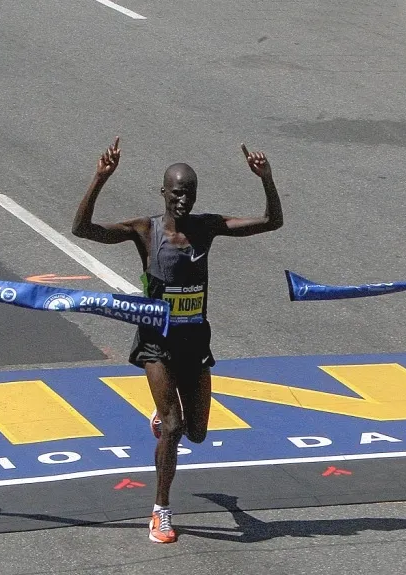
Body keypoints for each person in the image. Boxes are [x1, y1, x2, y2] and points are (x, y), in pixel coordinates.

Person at [72, 137, 283, 543]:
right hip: (157, 343)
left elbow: (271, 221)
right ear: (163, 192)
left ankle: (162, 410)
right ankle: (161, 512)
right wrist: (100, 178)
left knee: (197, 432)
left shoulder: (206, 228)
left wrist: (266, 179)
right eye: (176, 193)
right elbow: (82, 229)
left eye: (189, 194)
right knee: (173, 427)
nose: (183, 201)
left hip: (195, 342)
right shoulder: (145, 231)